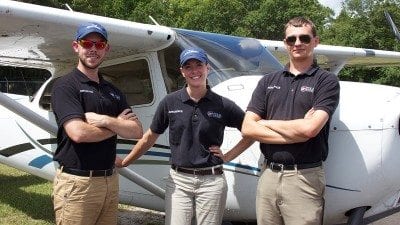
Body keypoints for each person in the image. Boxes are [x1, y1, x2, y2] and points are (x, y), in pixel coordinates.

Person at [121, 47, 254, 225]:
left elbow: (251, 132)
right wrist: (124, 162)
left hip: (211, 182)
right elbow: (149, 138)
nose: (194, 71)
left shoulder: (223, 104)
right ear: (182, 72)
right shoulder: (170, 102)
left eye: (199, 65)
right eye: (188, 67)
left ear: (208, 68)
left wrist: (228, 156)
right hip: (179, 181)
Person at [241, 17, 340, 225]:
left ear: (315, 41)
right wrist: (297, 132)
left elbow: (310, 130)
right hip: (268, 176)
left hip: (304, 178)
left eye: (304, 38)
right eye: (291, 39)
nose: (297, 43)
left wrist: (266, 123)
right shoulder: (268, 82)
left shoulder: (326, 81)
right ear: (285, 43)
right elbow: (248, 128)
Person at [51, 22, 143, 225]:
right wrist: (117, 125)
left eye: (99, 44)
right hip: (78, 183)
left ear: (106, 49)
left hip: (110, 180)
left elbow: (136, 130)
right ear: (76, 46)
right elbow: (78, 133)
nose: (93, 49)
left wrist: (104, 121)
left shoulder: (113, 91)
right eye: (87, 43)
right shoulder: (65, 86)